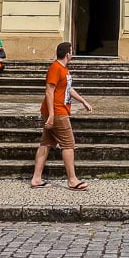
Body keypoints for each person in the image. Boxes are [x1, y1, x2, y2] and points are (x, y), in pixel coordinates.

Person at [30, 41, 86, 191]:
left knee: (46, 143)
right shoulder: (55, 68)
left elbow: (67, 89)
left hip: (58, 110)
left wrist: (83, 101)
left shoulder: (64, 69)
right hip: (57, 111)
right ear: (68, 54)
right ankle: (72, 180)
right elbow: (49, 91)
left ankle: (36, 178)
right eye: (71, 51)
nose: (72, 54)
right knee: (68, 144)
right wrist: (52, 115)